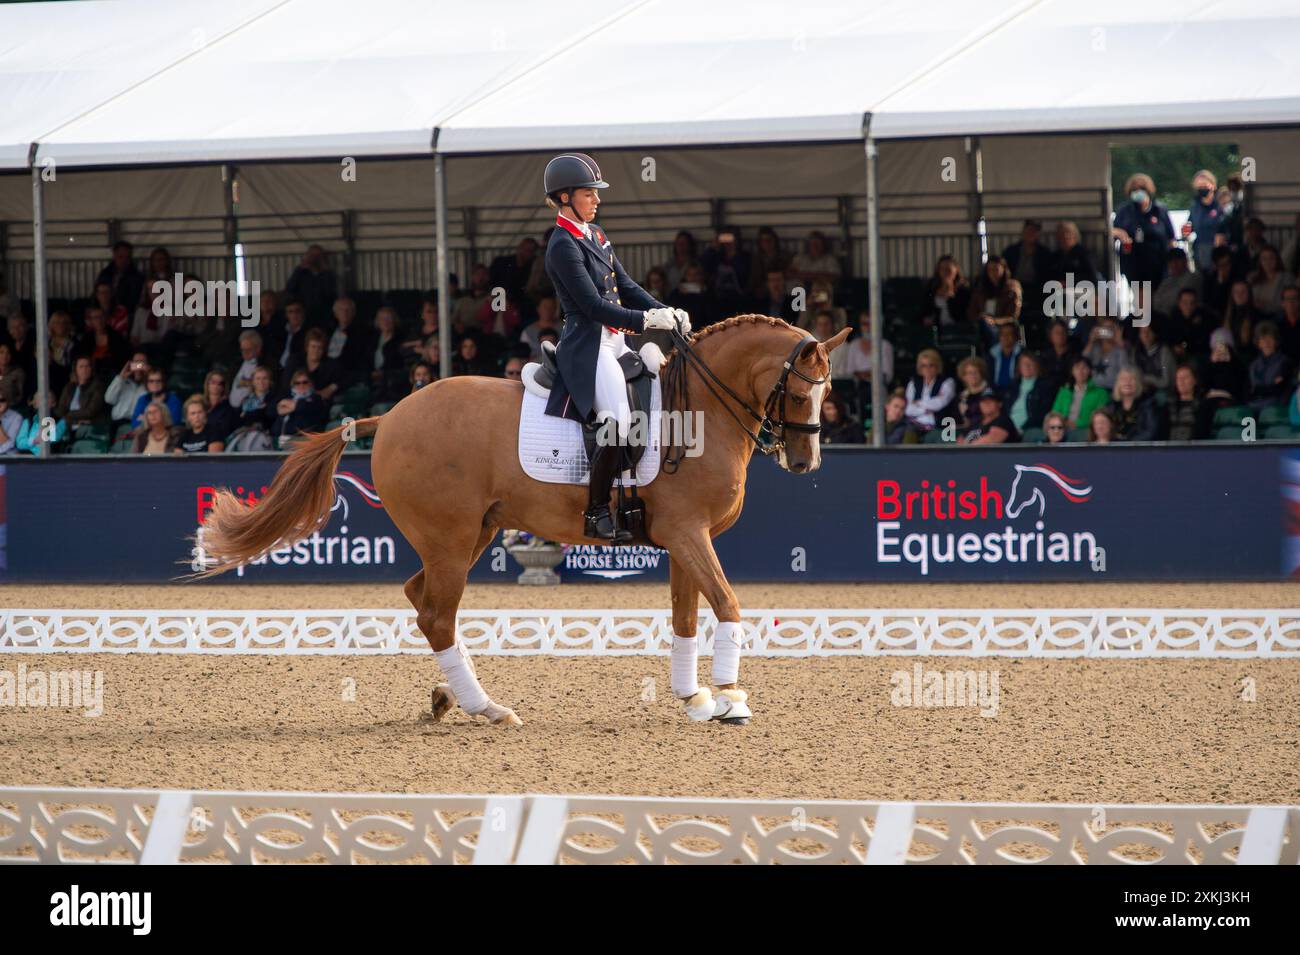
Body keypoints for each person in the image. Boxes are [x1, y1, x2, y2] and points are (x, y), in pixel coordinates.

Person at [540, 152, 687, 541]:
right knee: (617, 422)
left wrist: (664, 311)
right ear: (564, 197)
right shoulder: (561, 245)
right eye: (589, 193)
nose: (597, 199)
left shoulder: (598, 235)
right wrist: (644, 322)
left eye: (595, 193)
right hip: (590, 347)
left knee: (657, 398)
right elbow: (591, 306)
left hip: (617, 341)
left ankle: (635, 495)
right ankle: (596, 509)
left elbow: (626, 287)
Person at [1112, 173, 1176, 289]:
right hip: (1134, 265)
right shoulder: (1124, 211)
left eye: (1141, 189)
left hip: (1158, 265)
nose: (1138, 192)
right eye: (1134, 190)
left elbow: (1171, 237)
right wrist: (1119, 233)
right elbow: (1112, 231)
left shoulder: (1160, 210)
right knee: (1142, 302)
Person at [1002, 219, 1054, 318]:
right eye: (1029, 230)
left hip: (1036, 289)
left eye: (1034, 231)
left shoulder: (1044, 254)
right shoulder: (1011, 251)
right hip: (1015, 287)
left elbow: (1048, 276)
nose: (1031, 234)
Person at [968, 256, 1021, 347]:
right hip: (982, 324)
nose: (993, 273)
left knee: (992, 331)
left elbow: (1012, 316)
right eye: (990, 270)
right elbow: (971, 311)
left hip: (1002, 325)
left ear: (1003, 270)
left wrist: (994, 321)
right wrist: (982, 317)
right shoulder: (980, 289)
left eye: (996, 269)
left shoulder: (1012, 288)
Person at [903, 348, 956, 434]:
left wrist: (917, 403)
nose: (927, 369)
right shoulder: (913, 383)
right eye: (924, 365)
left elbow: (938, 404)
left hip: (940, 425)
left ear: (937, 366)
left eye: (931, 365)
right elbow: (908, 409)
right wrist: (927, 409)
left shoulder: (947, 382)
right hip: (914, 424)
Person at [272, 370, 329, 448]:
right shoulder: (288, 397)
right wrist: (293, 407)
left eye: (305, 382)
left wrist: (292, 406)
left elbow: (305, 407)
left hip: (306, 440)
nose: (301, 385)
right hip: (281, 439)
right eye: (297, 383)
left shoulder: (317, 399)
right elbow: (273, 410)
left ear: (310, 383)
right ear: (293, 385)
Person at [283, 244, 337, 327]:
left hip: (323, 314)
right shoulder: (301, 273)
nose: (315, 259)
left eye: (318, 256)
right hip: (304, 313)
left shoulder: (327, 274)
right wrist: (301, 267)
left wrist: (326, 269)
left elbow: (330, 292)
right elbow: (289, 288)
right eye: (312, 255)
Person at [1051, 356, 1109, 432]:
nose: (1080, 371)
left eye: (1084, 368)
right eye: (1077, 368)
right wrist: (1064, 423)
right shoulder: (1064, 391)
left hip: (1086, 430)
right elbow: (1055, 412)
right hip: (1063, 429)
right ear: (1072, 371)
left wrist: (1078, 424)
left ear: (1090, 371)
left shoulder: (1101, 393)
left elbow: (1100, 417)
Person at [1185, 169, 1224, 272]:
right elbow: (1189, 226)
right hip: (1199, 250)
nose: (1202, 189)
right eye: (1199, 187)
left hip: (1216, 251)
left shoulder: (1220, 206)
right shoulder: (1195, 206)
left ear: (1213, 185)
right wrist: (1185, 232)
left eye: (1204, 185)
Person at [1105, 367, 1160, 441]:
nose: (1127, 382)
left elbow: (1150, 432)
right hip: (1115, 448)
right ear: (1118, 384)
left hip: (1139, 449)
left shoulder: (1148, 404)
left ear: (1138, 383)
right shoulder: (1111, 405)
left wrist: (1128, 444)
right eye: (1123, 379)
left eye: (1132, 379)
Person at [53, 356, 108, 430]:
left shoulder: (97, 386)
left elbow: (90, 411)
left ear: (91, 369)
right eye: (81, 367)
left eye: (87, 366)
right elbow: (61, 408)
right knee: (46, 420)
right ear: (75, 369)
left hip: (87, 424)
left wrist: (69, 415)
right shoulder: (70, 387)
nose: (84, 369)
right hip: (69, 422)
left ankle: (45, 438)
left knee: (53, 431)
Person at [1247, 322, 1294, 408]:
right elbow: (1252, 390)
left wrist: (1261, 390)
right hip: (1255, 404)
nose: (1266, 342)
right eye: (1263, 338)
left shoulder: (1284, 362)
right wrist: (1268, 388)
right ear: (1258, 342)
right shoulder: (1254, 365)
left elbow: (1279, 389)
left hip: (1277, 406)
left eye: (1270, 337)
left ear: (1276, 341)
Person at [1004, 351, 1053, 433]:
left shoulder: (1045, 386)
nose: (1027, 366)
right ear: (1019, 367)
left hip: (1028, 428)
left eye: (1030, 363)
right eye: (1023, 363)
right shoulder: (1013, 386)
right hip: (1008, 428)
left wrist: (1022, 429)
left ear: (1037, 365)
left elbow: (1041, 415)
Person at [104, 351, 149, 433]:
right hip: (117, 424)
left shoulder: (149, 386)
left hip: (137, 425)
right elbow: (109, 399)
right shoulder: (122, 382)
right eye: (136, 363)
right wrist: (121, 377)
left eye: (142, 363)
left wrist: (148, 376)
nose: (139, 367)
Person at [96, 241, 144, 317]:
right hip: (104, 314)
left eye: (127, 257)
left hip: (127, 315)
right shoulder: (105, 274)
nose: (124, 261)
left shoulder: (137, 277)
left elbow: (137, 300)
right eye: (120, 257)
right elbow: (96, 295)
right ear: (114, 255)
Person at [923, 254, 971, 328]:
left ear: (956, 270)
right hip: (936, 328)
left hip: (957, 328)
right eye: (942, 269)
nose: (945, 273)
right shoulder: (932, 288)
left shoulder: (963, 290)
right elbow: (925, 310)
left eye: (948, 270)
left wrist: (950, 295)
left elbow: (963, 315)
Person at [1167, 364, 1211, 441]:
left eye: (1185, 378)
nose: (1181, 381)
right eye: (1178, 378)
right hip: (1170, 449)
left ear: (1194, 380)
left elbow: (1202, 433)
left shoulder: (1202, 406)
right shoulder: (1168, 406)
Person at [1037, 320, 1079, 390]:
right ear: (1050, 335)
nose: (1060, 335)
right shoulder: (1044, 356)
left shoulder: (1075, 354)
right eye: (1057, 333)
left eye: (1063, 332)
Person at [200, 369, 239, 440]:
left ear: (224, 387)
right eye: (213, 382)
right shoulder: (200, 404)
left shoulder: (228, 408)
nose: (216, 385)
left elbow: (224, 431)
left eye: (220, 383)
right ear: (207, 384)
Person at [0, 342, 26, 408]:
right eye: (1, 352)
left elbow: (21, 395)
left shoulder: (18, 372)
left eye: (8, 353)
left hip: (12, 409)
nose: (5, 356)